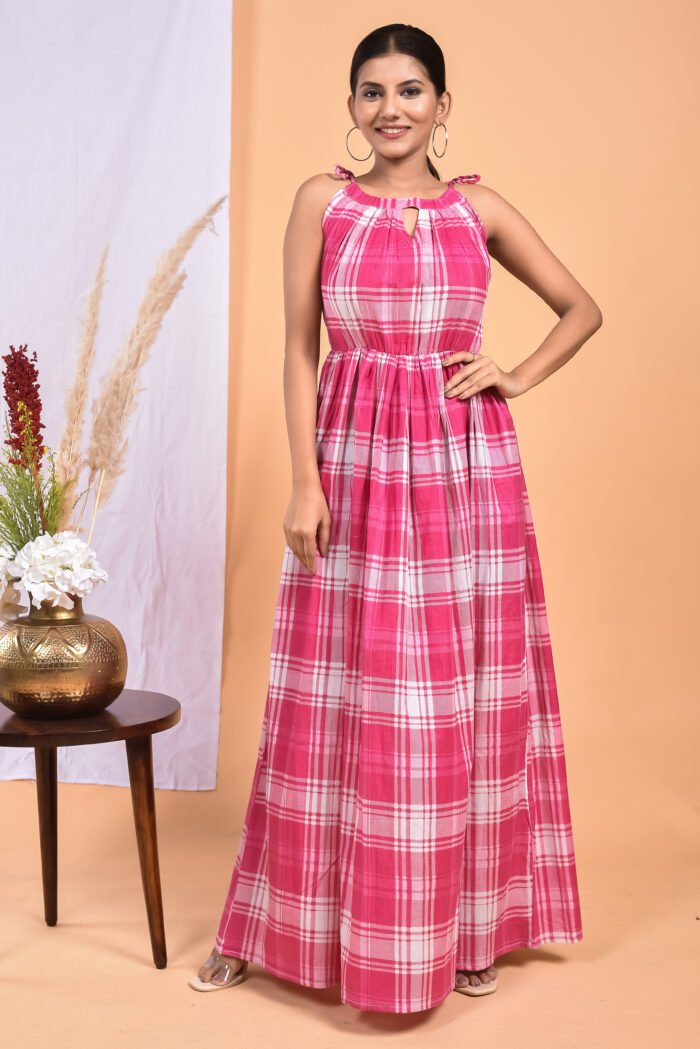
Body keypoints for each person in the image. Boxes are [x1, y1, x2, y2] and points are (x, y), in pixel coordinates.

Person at [189, 22, 600, 1013]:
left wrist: (515, 373)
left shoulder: (479, 209)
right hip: (354, 460)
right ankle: (277, 924)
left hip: (464, 470)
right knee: (333, 693)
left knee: (459, 696)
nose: (390, 109)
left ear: (443, 108)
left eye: (411, 90)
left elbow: (578, 308)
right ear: (351, 107)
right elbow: (297, 349)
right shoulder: (320, 201)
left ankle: (463, 927)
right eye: (370, 91)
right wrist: (303, 479)